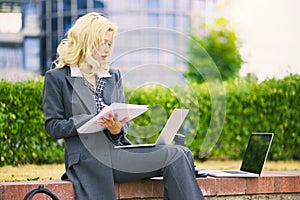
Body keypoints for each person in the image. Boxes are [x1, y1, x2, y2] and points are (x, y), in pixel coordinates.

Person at [43, 12, 204, 200]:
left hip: (118, 153)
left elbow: (122, 129)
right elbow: (53, 126)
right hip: (88, 161)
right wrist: (92, 120)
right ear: (85, 42)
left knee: (181, 152)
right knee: (175, 154)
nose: (106, 49)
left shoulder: (113, 76)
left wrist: (115, 129)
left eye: (109, 44)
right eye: (101, 43)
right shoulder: (57, 78)